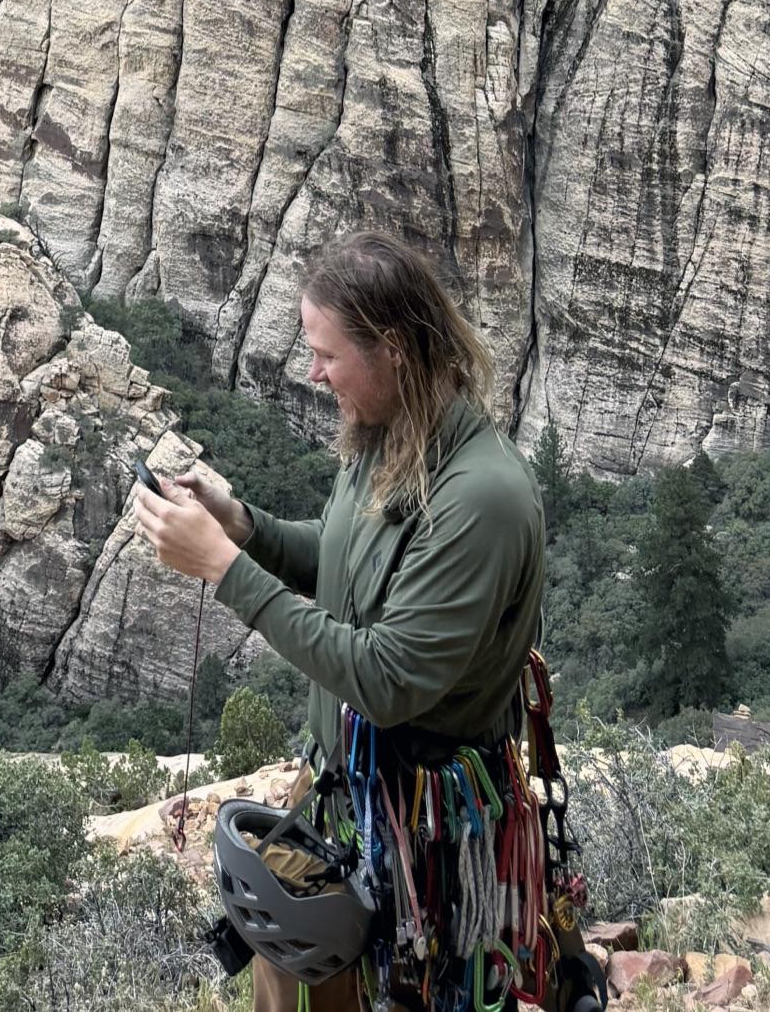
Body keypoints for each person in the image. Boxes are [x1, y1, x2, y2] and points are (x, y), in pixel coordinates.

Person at [133, 232, 546, 1012]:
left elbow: (388, 680)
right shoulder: (393, 437)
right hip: (346, 804)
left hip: (425, 844)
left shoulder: (481, 499)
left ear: (392, 350)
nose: (314, 373)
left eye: (327, 354)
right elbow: (346, 561)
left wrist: (223, 567)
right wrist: (244, 525)